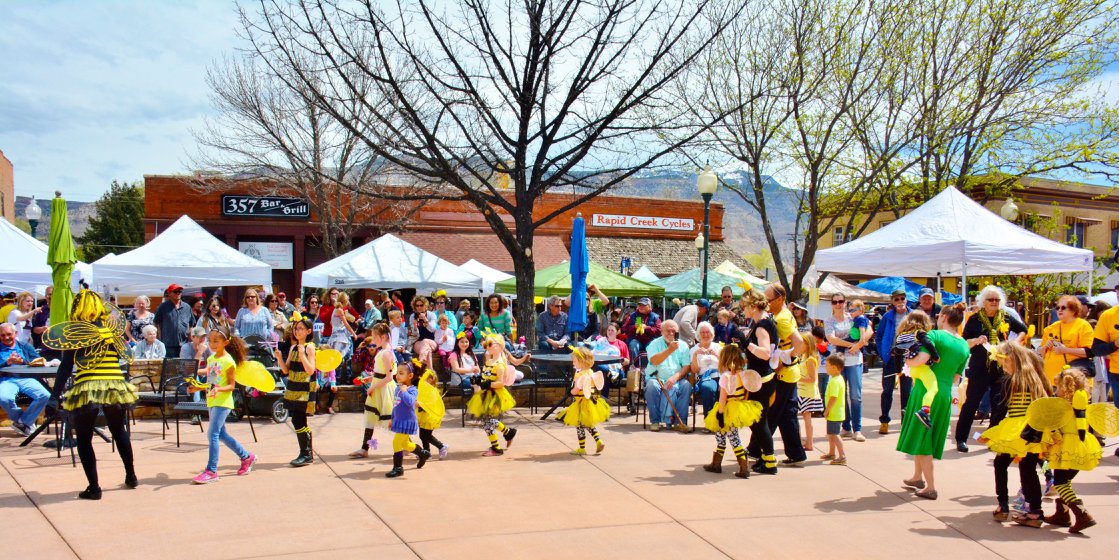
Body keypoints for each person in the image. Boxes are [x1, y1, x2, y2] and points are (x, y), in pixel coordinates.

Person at [44, 290, 138, 500]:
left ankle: (94, 488)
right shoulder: (113, 330)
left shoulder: (76, 332)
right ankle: (131, 476)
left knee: (85, 439)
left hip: (88, 388)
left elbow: (66, 366)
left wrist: (54, 396)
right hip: (115, 386)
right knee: (119, 431)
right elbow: (124, 356)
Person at [897, 303, 970, 501]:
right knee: (926, 435)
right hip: (944, 393)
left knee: (922, 439)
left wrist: (907, 363)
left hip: (925, 391)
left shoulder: (935, 336)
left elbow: (921, 359)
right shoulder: (964, 345)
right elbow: (956, 377)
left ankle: (930, 486)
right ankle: (917, 477)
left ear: (944, 317)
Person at [980, 342, 1051, 524]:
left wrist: (992, 430)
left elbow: (1000, 409)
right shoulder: (1036, 379)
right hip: (1033, 430)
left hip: (1014, 430)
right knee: (1028, 469)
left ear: (1013, 361)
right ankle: (1035, 511)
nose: (1003, 368)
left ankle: (1002, 505)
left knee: (1000, 463)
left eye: (1004, 364)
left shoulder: (1011, 381)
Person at [955, 285, 1027, 452]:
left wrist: (1014, 343)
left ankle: (994, 437)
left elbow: (1023, 329)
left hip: (1001, 367)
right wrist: (976, 340)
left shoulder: (1006, 317)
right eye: (991, 299)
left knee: (1000, 404)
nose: (994, 302)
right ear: (983, 302)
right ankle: (961, 438)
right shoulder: (974, 319)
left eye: (997, 300)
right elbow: (964, 342)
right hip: (980, 367)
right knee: (971, 403)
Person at [189, 326, 257, 484]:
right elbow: (212, 382)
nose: (212, 344)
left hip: (223, 402)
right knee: (221, 434)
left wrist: (218, 388)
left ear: (225, 342)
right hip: (212, 400)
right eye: (210, 340)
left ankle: (211, 471)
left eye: (216, 341)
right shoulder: (213, 359)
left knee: (212, 434)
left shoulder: (228, 361)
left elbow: (231, 386)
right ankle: (247, 457)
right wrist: (198, 387)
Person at [1042, 368, 1102, 533]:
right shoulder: (1081, 402)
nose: (1056, 391)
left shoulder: (1063, 407)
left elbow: (1054, 428)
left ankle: (1082, 515)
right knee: (1065, 482)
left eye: (1057, 387)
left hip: (1066, 447)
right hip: (1082, 447)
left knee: (1060, 483)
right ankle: (1062, 514)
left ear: (1065, 387)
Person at [762, 284, 809, 466]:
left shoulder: (781, 318)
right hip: (790, 374)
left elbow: (800, 344)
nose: (766, 303)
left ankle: (758, 449)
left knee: (772, 413)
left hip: (784, 374)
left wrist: (784, 361)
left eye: (769, 300)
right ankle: (796, 453)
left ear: (780, 299)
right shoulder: (782, 315)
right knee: (787, 415)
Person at [701, 343, 763, 478]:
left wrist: (720, 414)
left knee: (733, 438)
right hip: (739, 407)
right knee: (721, 435)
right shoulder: (743, 374)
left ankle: (743, 467)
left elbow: (723, 397)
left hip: (727, 410)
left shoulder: (726, 376)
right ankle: (716, 464)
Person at [738, 289, 779, 474]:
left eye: (744, 306)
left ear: (753, 306)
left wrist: (747, 344)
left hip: (762, 380)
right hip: (759, 378)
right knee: (756, 421)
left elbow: (765, 353)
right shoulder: (759, 323)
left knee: (759, 421)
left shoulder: (762, 325)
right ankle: (765, 458)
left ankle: (770, 462)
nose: (742, 309)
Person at [274, 315, 317, 467]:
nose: (296, 331)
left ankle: (306, 453)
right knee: (297, 419)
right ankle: (306, 452)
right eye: (295, 328)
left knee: (298, 419)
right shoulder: (293, 347)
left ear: (308, 331)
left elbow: (310, 370)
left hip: (305, 388)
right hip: (293, 386)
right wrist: (279, 358)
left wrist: (302, 355)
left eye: (300, 329)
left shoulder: (309, 347)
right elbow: (286, 370)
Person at [350, 322, 396, 459]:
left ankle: (409, 445)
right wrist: (370, 379)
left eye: (375, 337)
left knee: (389, 419)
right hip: (378, 386)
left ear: (383, 337)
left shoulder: (386, 353)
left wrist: (372, 387)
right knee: (371, 418)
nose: (373, 340)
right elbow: (381, 373)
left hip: (384, 390)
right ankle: (365, 448)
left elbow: (389, 377)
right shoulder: (383, 351)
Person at [890, 310, 941, 429]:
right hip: (923, 368)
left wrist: (898, 370)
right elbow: (928, 344)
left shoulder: (900, 336)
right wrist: (936, 357)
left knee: (917, 389)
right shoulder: (919, 333)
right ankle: (925, 412)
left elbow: (897, 355)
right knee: (933, 389)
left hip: (911, 369)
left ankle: (909, 408)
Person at [468, 334, 518, 455]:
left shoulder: (500, 364)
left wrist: (487, 384)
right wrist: (479, 380)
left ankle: (496, 447)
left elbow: (501, 383)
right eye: (486, 345)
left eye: (490, 344)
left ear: (500, 347)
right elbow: (486, 375)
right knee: (488, 421)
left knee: (487, 422)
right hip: (485, 394)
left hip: (494, 395)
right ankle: (507, 432)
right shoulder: (489, 361)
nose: (487, 347)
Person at [556, 345, 609, 455]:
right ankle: (599, 441)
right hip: (591, 403)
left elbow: (576, 389)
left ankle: (582, 448)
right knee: (588, 424)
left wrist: (570, 392)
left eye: (574, 361)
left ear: (581, 361)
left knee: (579, 426)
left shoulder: (580, 375)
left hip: (581, 404)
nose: (573, 363)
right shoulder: (590, 372)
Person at [384, 360, 431, 478]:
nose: (397, 376)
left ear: (410, 376)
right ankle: (423, 453)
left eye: (401, 373)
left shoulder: (412, 390)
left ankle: (398, 468)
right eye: (397, 373)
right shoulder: (397, 388)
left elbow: (410, 402)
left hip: (407, 421)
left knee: (396, 442)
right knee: (405, 443)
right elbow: (395, 405)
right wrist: (392, 418)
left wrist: (404, 391)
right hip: (399, 420)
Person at [0, 323, 49, 437]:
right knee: (4, 398)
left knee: (45, 395)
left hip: (25, 378)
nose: (6, 338)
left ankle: (22, 423)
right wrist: (7, 362)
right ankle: (25, 423)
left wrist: (23, 361)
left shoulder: (25, 346)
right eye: (3, 335)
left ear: (15, 333)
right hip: (6, 379)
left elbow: (38, 360)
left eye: (9, 334)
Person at [643, 319, 692, 432]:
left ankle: (681, 422)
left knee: (686, 386)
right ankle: (655, 421)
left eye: (673, 331)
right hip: (656, 377)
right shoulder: (654, 344)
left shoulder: (683, 345)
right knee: (651, 386)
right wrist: (670, 350)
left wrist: (675, 377)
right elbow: (654, 361)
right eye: (668, 331)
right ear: (661, 331)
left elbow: (686, 366)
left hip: (677, 378)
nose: (671, 334)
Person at [874, 289, 909, 435]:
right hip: (891, 358)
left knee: (907, 391)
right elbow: (879, 336)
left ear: (906, 299)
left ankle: (905, 423)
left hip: (908, 359)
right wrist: (883, 353)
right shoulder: (887, 317)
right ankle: (884, 421)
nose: (900, 302)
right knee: (887, 391)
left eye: (902, 298)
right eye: (897, 299)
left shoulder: (913, 315)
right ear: (892, 302)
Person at [1039, 295, 1094, 386]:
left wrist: (1065, 350)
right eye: (1057, 307)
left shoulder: (1083, 326)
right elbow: (1040, 354)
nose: (1059, 310)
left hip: (1074, 382)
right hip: (1050, 381)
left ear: (1073, 310)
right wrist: (1045, 347)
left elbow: (1090, 352)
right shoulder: (1051, 328)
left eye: (1063, 307)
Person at [414, 357, 448, 459]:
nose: (421, 381)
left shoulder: (432, 391)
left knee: (426, 436)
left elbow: (430, 403)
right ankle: (426, 453)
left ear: (430, 379)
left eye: (423, 379)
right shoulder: (424, 389)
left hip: (429, 416)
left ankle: (441, 446)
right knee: (422, 435)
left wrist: (420, 404)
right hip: (423, 415)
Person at [689, 321, 722, 419]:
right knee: (707, 387)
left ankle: (723, 421)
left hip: (720, 376)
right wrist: (695, 355)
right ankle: (709, 419)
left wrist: (716, 355)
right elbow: (694, 370)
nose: (705, 335)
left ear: (711, 334)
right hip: (705, 378)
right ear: (698, 334)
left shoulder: (718, 347)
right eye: (702, 332)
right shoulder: (693, 350)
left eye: (707, 332)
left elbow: (725, 366)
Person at [821, 354, 848, 466]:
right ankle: (832, 453)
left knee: (835, 434)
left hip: (834, 412)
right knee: (831, 433)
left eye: (827, 365)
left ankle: (842, 456)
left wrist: (827, 410)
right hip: (835, 412)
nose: (825, 367)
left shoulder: (835, 381)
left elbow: (833, 397)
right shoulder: (837, 378)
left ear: (835, 368)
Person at [798, 332, 823, 450]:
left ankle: (809, 442)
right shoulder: (804, 358)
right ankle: (807, 441)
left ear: (807, 344)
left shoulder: (810, 360)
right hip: (802, 392)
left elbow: (812, 379)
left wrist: (797, 378)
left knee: (807, 418)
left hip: (807, 393)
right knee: (805, 418)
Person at [155, 284, 194, 358]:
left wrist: (190, 339)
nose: (178, 293)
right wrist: (159, 339)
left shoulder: (187, 307)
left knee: (184, 366)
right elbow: (156, 323)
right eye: (175, 292)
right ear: (169, 293)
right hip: (168, 344)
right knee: (170, 367)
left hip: (184, 344)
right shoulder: (163, 307)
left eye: (180, 291)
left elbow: (191, 324)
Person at [622, 297, 662, 363]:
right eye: (640, 305)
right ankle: (633, 366)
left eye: (643, 305)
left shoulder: (655, 317)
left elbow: (659, 331)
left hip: (650, 340)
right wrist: (634, 327)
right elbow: (625, 329)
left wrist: (646, 328)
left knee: (653, 345)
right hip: (636, 339)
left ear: (649, 306)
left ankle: (652, 365)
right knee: (633, 344)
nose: (641, 307)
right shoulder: (632, 316)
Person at [407, 296, 438, 366]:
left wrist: (425, 319)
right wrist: (414, 326)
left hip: (431, 341)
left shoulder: (431, 315)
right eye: (417, 306)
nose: (419, 307)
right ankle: (430, 372)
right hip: (418, 342)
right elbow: (414, 334)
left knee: (425, 341)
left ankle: (420, 363)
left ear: (426, 306)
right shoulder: (412, 316)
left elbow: (432, 329)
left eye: (421, 305)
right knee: (428, 350)